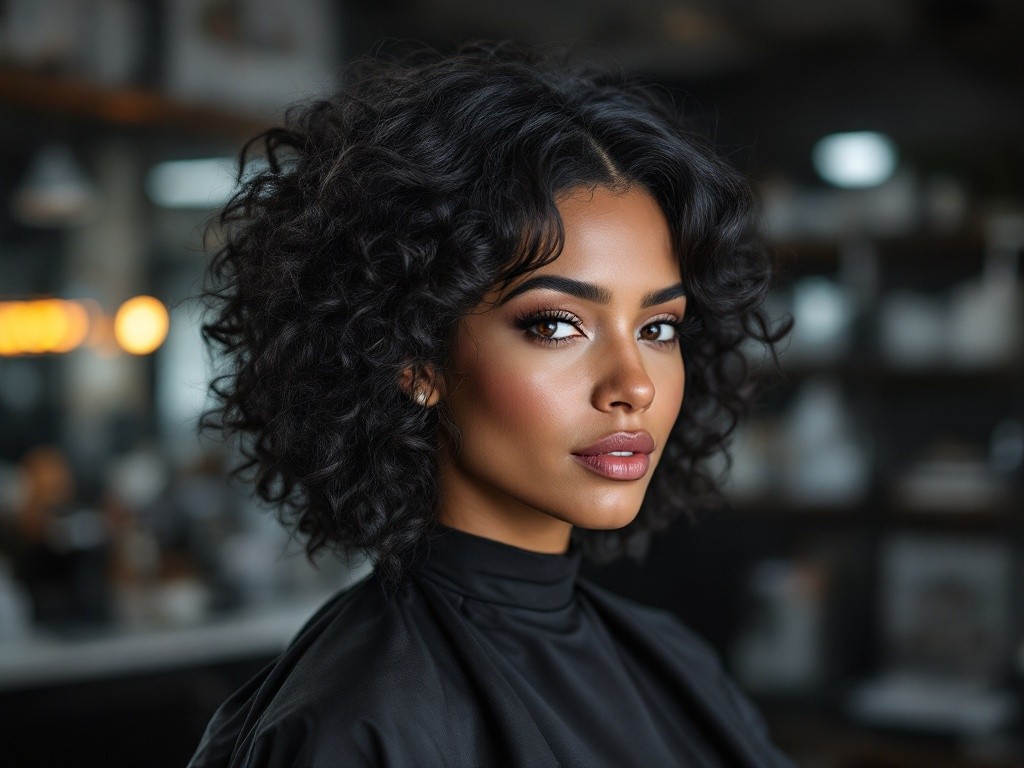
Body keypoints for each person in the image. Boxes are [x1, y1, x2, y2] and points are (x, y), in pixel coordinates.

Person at [189, 39, 794, 768]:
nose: (634, 384)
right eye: (555, 325)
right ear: (416, 357)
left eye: (658, 327)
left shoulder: (674, 661)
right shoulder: (357, 726)